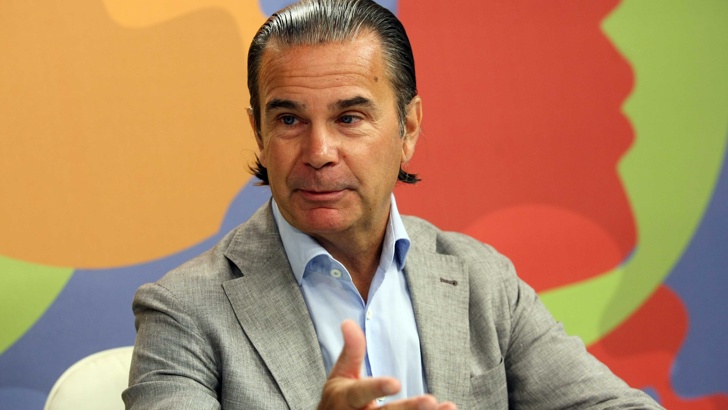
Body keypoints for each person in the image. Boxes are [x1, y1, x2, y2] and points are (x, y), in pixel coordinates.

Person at [123, 0, 663, 409]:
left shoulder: (483, 281)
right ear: (259, 133)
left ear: (408, 128)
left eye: (349, 118)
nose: (318, 151)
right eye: (289, 119)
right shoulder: (183, 309)